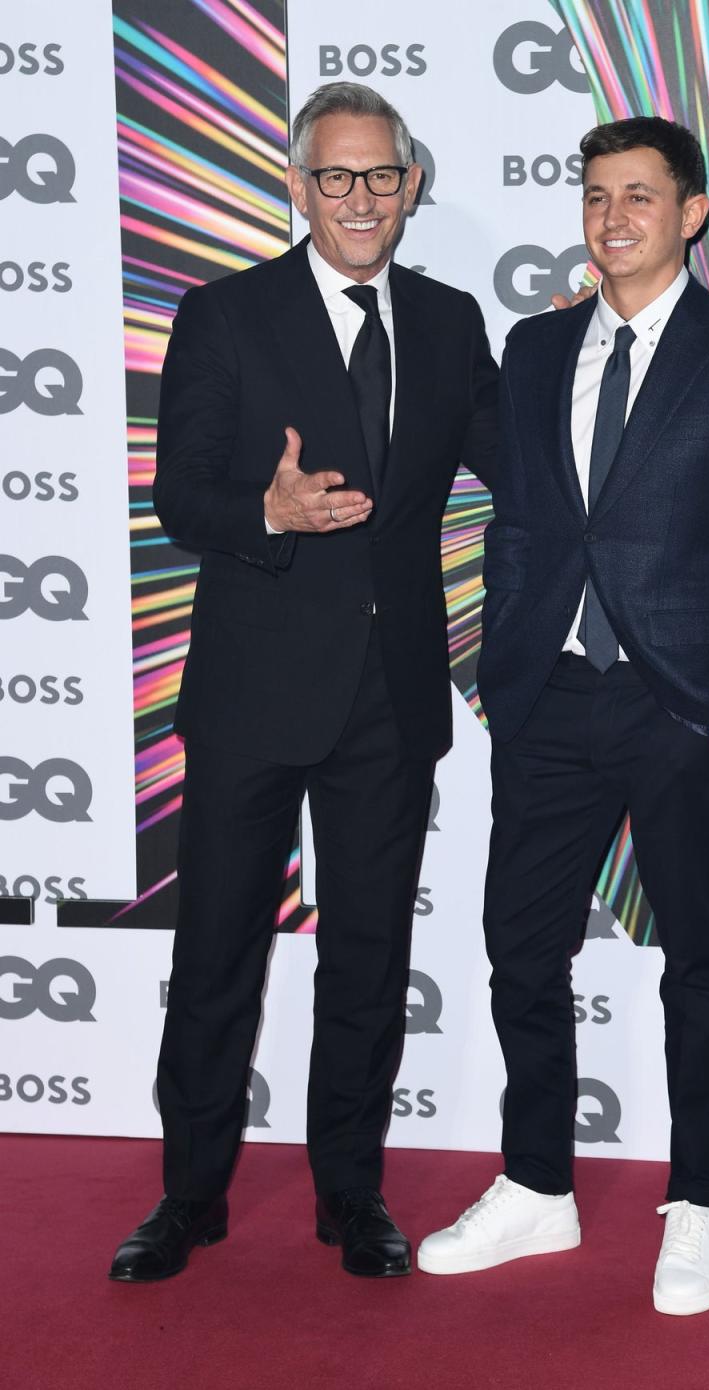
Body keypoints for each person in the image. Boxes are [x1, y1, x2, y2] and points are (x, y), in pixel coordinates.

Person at [418, 115, 709, 1314]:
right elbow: (532, 512)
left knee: (700, 963)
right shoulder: (538, 345)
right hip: (548, 700)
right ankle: (537, 1184)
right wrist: (506, 670)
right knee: (518, 949)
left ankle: (699, 1199)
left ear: (693, 212)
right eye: (597, 195)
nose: (613, 218)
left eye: (641, 197)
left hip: (678, 710)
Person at [109, 81, 498, 1282]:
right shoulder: (226, 314)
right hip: (252, 693)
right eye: (337, 176)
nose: (362, 198)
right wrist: (267, 514)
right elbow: (180, 495)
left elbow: (514, 457)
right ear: (299, 186)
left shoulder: (447, 320)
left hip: (391, 695)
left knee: (369, 955)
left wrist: (588, 358)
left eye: (382, 174)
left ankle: (350, 1193)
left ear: (413, 182)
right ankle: (188, 1195)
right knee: (220, 947)